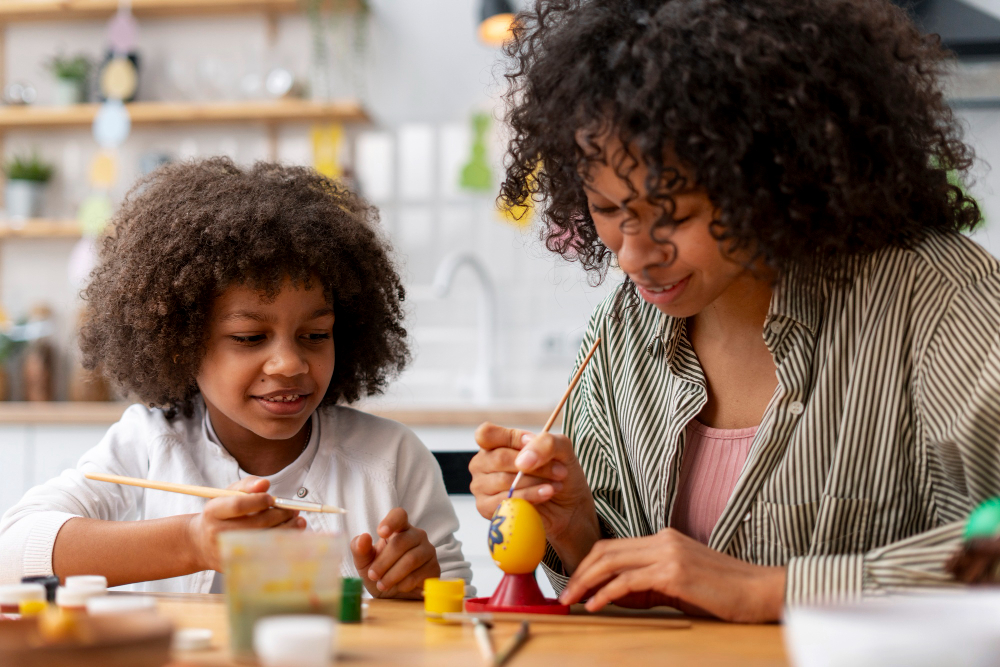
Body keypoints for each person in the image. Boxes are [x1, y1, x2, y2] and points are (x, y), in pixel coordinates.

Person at [470, 0, 999, 622]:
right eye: (609, 210)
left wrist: (768, 590)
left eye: (674, 214)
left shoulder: (934, 297)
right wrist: (577, 528)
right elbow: (638, 603)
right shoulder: (626, 325)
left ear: (771, 177)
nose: (635, 256)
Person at [0, 158, 472, 598]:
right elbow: (12, 552)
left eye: (314, 334)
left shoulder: (391, 460)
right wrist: (191, 541)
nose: (289, 363)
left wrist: (419, 589)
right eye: (249, 337)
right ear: (180, 341)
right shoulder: (146, 446)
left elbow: (462, 621)